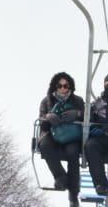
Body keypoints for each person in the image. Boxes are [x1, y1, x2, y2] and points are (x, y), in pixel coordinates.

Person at [38, 71, 86, 207]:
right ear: (55, 86)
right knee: (45, 146)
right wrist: (48, 118)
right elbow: (42, 122)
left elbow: (87, 116)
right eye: (60, 86)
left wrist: (77, 114)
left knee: (72, 153)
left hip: (72, 135)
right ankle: (61, 177)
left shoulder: (78, 101)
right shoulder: (47, 101)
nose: (63, 89)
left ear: (70, 87)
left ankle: (73, 194)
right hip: (52, 134)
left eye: (66, 86)